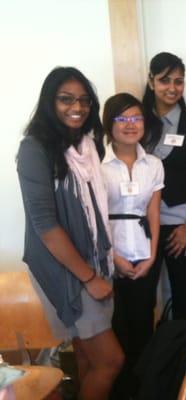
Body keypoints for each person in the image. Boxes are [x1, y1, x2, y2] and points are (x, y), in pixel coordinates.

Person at [17, 67, 124, 399]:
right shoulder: (35, 149)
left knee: (87, 355)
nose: (76, 107)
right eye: (66, 99)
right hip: (66, 269)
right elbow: (46, 227)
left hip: (92, 260)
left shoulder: (88, 145)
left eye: (83, 100)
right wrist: (90, 277)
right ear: (50, 102)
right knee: (110, 361)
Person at [100, 93, 164, 399]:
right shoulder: (96, 166)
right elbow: (94, 218)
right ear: (108, 124)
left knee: (142, 328)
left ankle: (143, 390)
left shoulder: (153, 164)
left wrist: (152, 256)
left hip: (143, 256)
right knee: (114, 331)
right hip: (107, 259)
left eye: (136, 118)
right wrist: (113, 257)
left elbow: (153, 212)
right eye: (121, 119)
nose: (130, 125)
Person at [142, 52, 186, 321]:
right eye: (164, 80)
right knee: (142, 298)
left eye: (179, 81)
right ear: (151, 82)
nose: (172, 87)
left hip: (181, 225)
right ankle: (151, 360)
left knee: (183, 298)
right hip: (144, 226)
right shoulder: (137, 123)